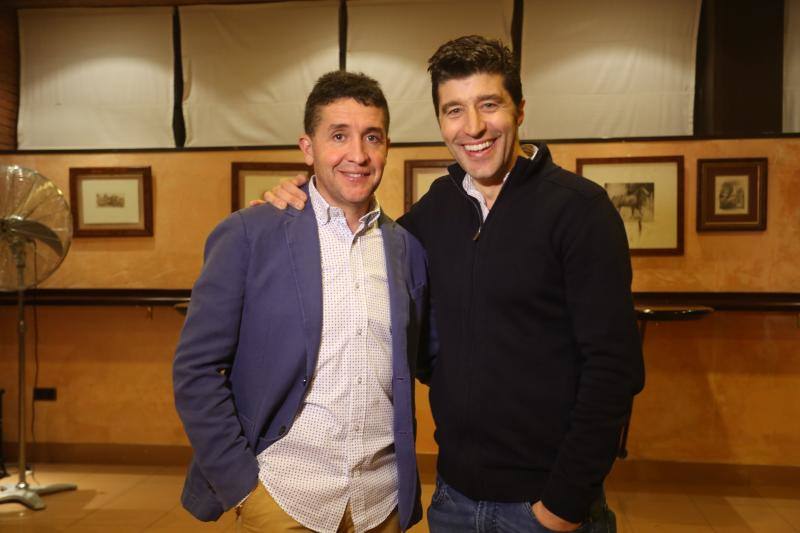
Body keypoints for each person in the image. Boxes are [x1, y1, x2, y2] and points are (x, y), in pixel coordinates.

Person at [263, 35, 644, 533]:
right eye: (454, 110)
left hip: (546, 507)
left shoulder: (580, 211)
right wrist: (296, 197)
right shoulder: (428, 219)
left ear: (520, 110)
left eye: (490, 105)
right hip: (453, 501)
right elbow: (411, 335)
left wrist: (563, 507)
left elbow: (614, 370)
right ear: (441, 121)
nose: (474, 127)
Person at [173, 70, 432, 533]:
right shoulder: (250, 235)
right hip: (284, 499)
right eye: (339, 135)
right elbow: (195, 370)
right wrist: (241, 486)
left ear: (387, 146)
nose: (358, 154)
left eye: (372, 137)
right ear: (307, 147)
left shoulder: (405, 249)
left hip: (382, 502)